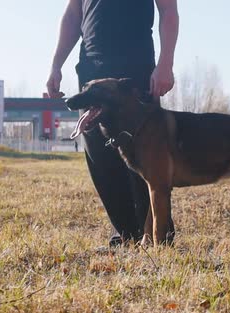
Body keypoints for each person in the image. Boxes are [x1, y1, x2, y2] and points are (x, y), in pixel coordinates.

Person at [47, 0, 179, 246]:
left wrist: (165, 63)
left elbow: (168, 9)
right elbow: (73, 15)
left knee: (144, 155)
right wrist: (56, 65)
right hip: (91, 67)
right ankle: (129, 236)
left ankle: (160, 238)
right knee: (99, 154)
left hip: (134, 68)